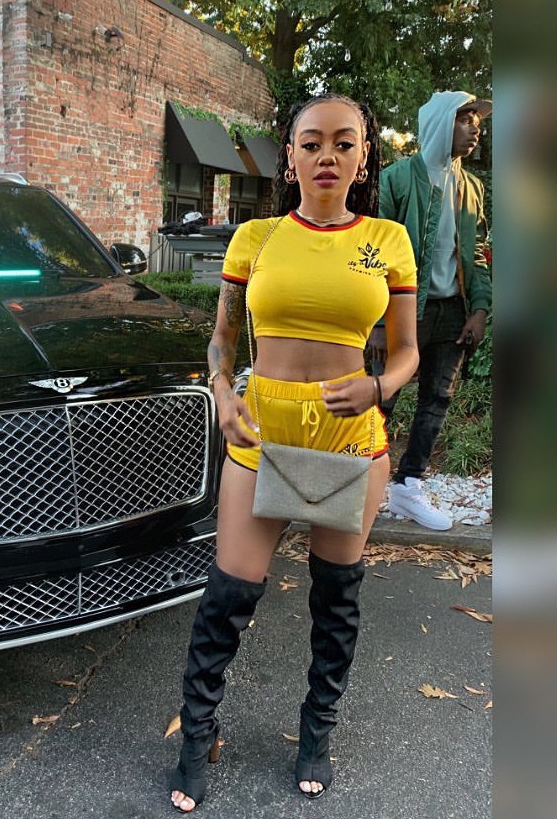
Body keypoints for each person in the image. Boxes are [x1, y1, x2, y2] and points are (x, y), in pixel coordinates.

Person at [169, 93, 419, 812]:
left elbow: (407, 351)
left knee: (336, 599)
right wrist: (222, 391)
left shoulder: (389, 241)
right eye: (311, 143)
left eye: (343, 143)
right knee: (229, 595)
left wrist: (378, 387)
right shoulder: (255, 237)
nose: (326, 156)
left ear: (364, 157)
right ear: (290, 157)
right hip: (262, 434)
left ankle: (317, 732)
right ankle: (197, 734)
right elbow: (222, 339)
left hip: (350, 439)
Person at [369, 91, 492, 531]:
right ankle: (358, 481)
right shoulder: (396, 179)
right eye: (466, 119)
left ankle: (408, 486)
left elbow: (476, 252)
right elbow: (374, 254)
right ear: (441, 122)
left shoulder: (472, 187)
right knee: (381, 397)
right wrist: (379, 321)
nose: (476, 129)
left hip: (453, 311)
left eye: (478, 121)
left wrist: (479, 308)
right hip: (402, 312)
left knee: (437, 399)